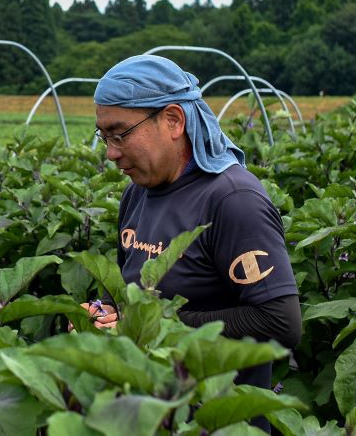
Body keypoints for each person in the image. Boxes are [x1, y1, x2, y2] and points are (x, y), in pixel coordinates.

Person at [86, 55, 300, 407]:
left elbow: (279, 322)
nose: (110, 152)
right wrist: (102, 312)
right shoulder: (136, 194)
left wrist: (159, 325)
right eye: (103, 135)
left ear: (173, 120)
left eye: (120, 134)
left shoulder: (232, 200)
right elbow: (131, 295)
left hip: (214, 418)